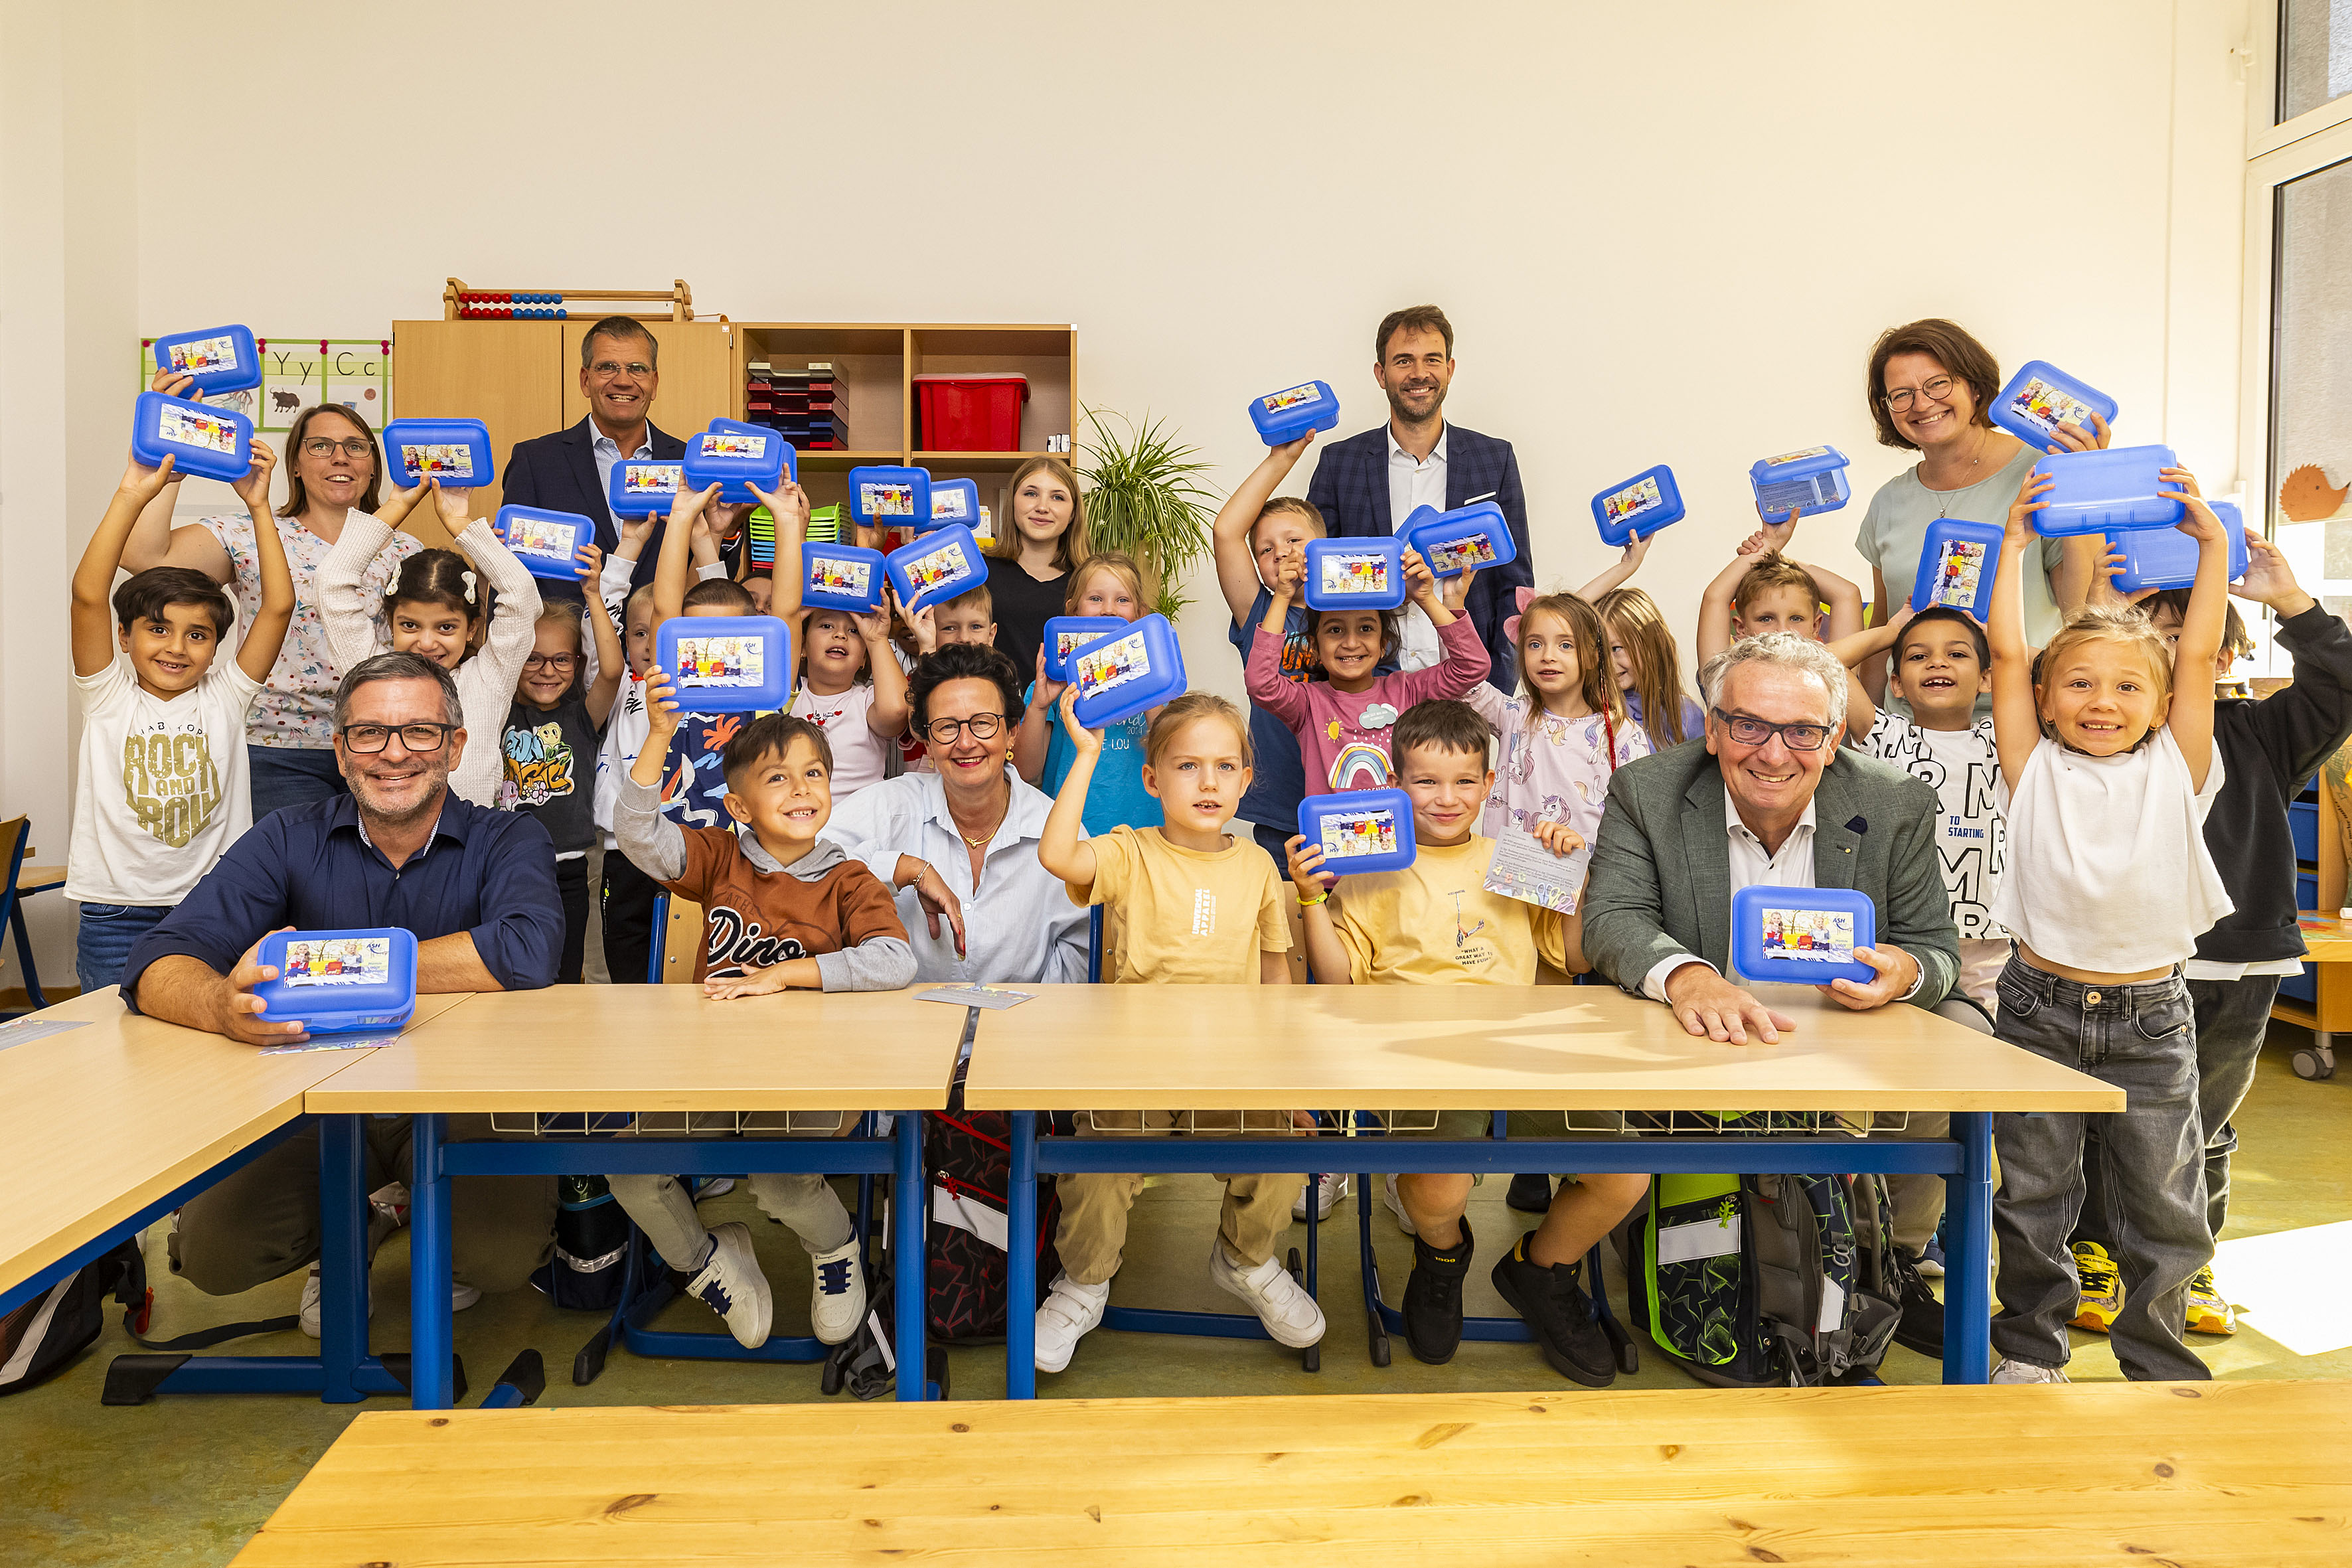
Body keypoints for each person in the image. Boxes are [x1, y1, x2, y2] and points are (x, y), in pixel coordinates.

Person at [119, 653, 564, 1331]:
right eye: (369, 733)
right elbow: (159, 958)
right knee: (214, 1257)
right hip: (312, 1107)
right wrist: (218, 1006)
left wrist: (333, 966)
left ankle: (404, 1208)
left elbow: (529, 948)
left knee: (500, 1259)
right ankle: (361, 1216)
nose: (394, 754)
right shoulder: (284, 836)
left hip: (460, 1102)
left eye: (420, 731)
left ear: (455, 745)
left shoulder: (508, 836)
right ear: (340, 747)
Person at [1579, 631, 1968, 1356]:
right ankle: (1662, 1275)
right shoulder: (1649, 789)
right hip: (1695, 1047)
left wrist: (1904, 973)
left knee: (1960, 1061)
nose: (1771, 751)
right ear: (1716, 726)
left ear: (1832, 738)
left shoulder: (1892, 802)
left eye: (1801, 731)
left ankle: (1895, 1257)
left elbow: (1935, 950)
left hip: (1841, 1044)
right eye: (1747, 724)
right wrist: (1689, 975)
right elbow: (1612, 920)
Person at [1285, 700, 1637, 1380]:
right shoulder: (1369, 869)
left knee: (1623, 1175)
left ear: (1489, 782)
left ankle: (1541, 1270)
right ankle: (1442, 1255)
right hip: (1417, 1063)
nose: (1447, 798)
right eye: (1426, 782)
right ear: (1395, 780)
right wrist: (1310, 901)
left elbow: (1571, 959)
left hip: (1523, 1057)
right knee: (1439, 1188)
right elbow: (1335, 983)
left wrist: (1576, 878)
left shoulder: (1514, 855)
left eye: (1464, 781)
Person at [2067, 529, 2352, 1341]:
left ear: (2222, 656)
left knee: (2202, 1123)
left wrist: (2292, 600)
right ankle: (2095, 1251)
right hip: (2120, 962)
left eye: (2187, 635)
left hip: (2235, 964)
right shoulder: (2102, 732)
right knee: (2107, 1112)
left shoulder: (2263, 734)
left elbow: (2344, 683)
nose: (2171, 650)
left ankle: (2188, 1265)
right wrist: (2105, 627)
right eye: (2150, 633)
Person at [1982, 465, 2233, 1385]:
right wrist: (2010, 547)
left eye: (2126, 687)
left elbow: (2197, 656)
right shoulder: (2031, 767)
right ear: (2046, 701)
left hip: (2151, 1017)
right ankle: (2027, 1351)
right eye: (2078, 683)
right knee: (2034, 1196)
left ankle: (2157, 1365)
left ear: (2160, 707)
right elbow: (2006, 657)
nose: (2099, 701)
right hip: (2036, 1006)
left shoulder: (2177, 766)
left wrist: (2210, 548)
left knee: (2163, 1206)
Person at [611, 668, 915, 1349]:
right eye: (778, 778)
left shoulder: (849, 877)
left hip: (810, 1071)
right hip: (709, 1066)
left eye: (815, 774)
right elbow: (635, 833)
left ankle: (837, 1253)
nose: (802, 789)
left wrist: (788, 975)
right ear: (740, 806)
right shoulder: (718, 856)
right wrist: (661, 734)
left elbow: (896, 959)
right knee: (630, 1168)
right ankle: (709, 1263)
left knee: (779, 1180)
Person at [1032, 692, 1318, 1372]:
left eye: (1225, 766)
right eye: (1188, 765)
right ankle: (1087, 1279)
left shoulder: (1256, 865)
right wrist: (1088, 752)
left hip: (1232, 1067)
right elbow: (1056, 855)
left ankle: (1245, 1259)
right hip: (1137, 1064)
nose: (1210, 782)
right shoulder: (1130, 852)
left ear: (1248, 781)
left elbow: (1276, 978)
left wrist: (1288, 1078)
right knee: (1092, 1162)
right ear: (1153, 779)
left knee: (1287, 1146)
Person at [121, 393, 418, 819]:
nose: (340, 458)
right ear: (295, 464)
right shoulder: (248, 531)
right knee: (297, 878)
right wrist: (171, 471)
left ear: (373, 466)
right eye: (320, 446)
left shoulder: (409, 551)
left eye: (355, 446)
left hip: (383, 744)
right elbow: (145, 559)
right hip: (275, 748)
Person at [68, 436, 290, 993]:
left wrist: (260, 506)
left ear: (216, 648)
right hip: (116, 914)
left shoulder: (225, 698)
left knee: (209, 1041)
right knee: (114, 1049)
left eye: (198, 635)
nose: (176, 648)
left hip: (212, 909)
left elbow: (279, 606)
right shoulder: (108, 696)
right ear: (125, 636)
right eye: (158, 629)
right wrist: (131, 493)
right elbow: (89, 595)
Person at [1851, 319, 2107, 710]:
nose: (1921, 404)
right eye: (1901, 395)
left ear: (1974, 387)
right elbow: (1883, 635)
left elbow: (2082, 612)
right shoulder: (1887, 501)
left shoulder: (2044, 475)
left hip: (2022, 724)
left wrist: (2081, 487)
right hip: (1909, 737)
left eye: (1938, 384)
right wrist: (1866, 740)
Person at [827, 641, 1091, 984]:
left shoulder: (1056, 829)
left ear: (1012, 732)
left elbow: (1083, 944)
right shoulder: (891, 807)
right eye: (947, 727)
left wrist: (1032, 1025)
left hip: (1026, 1030)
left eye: (982, 723)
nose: (966, 743)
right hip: (904, 1031)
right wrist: (903, 868)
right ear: (928, 743)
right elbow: (803, 867)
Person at [1304, 305, 1531, 688]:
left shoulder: (1495, 459)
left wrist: (1502, 678)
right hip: (1368, 680)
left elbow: (1515, 582)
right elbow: (1319, 579)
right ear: (1381, 374)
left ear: (1450, 369)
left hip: (1468, 681)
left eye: (1432, 359)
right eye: (1403, 361)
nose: (1419, 373)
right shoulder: (1338, 462)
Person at [318, 477, 542, 809]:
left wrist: (461, 525)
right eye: (409, 625)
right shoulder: (372, 675)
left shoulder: (490, 678)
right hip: (387, 839)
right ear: (390, 623)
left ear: (472, 629)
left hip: (472, 843)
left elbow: (522, 597)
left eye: (446, 627)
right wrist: (396, 508)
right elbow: (331, 582)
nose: (426, 642)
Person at [501, 317, 737, 598]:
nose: (623, 381)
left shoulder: (693, 464)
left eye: (637, 369)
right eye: (607, 368)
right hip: (565, 639)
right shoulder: (536, 461)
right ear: (586, 380)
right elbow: (509, 576)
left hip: (657, 638)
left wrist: (728, 529)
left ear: (654, 382)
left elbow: (714, 591)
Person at [1245, 540, 1488, 794]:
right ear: (1315, 647)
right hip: (1328, 832)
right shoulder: (1307, 704)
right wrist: (1283, 596)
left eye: (1366, 628)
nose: (1351, 643)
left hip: (1402, 832)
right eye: (1335, 630)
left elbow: (1472, 666)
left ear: (1383, 644)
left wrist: (1425, 598)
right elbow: (1260, 683)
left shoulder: (1408, 691)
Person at [501, 579, 625, 984]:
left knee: (569, 972)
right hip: (509, 867)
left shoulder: (582, 717)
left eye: (561, 660)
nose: (547, 672)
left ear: (577, 660)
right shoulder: (496, 714)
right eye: (532, 659)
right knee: (515, 968)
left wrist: (593, 594)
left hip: (572, 869)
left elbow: (612, 669)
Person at [1212, 435, 1327, 866]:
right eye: (1266, 550)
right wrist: (1283, 458)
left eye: (1294, 541)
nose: (1281, 553)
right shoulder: (1258, 610)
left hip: (1351, 797)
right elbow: (1226, 531)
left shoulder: (1357, 610)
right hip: (1280, 810)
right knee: (1287, 927)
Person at [1466, 590, 1652, 842]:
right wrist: (1452, 604)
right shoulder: (1513, 716)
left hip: (1591, 879)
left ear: (1592, 656)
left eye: (1565, 645)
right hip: (1508, 878)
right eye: (1535, 644)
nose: (1547, 656)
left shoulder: (1624, 735)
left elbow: (1638, 825)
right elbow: (1463, 681)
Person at [1014, 552, 1164, 834]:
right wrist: (1038, 706)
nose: (1109, 610)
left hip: (1143, 837)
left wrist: (1152, 698)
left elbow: (1169, 756)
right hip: (1069, 836)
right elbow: (1025, 772)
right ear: (1073, 611)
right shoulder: (1053, 688)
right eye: (1096, 599)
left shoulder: (1155, 685)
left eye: (1123, 600)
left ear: (1140, 614)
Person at [1695, 514, 1864, 668]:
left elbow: (1846, 594)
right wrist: (1768, 547)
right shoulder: (1722, 680)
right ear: (1741, 628)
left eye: (1796, 618)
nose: (1783, 631)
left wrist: (1769, 553)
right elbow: (1715, 597)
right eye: (1766, 619)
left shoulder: (1831, 678)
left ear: (1815, 626)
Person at [983, 455, 1090, 681]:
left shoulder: (1090, 581)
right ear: (1012, 502)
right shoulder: (980, 573)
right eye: (1031, 494)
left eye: (1058, 497)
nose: (1042, 507)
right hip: (993, 712)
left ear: (1072, 513)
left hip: (1068, 713)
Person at [789, 600, 909, 799]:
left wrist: (876, 639)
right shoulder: (788, 694)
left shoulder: (867, 701)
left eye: (854, 631)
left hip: (857, 826)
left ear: (864, 659)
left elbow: (897, 712)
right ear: (802, 647)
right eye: (826, 626)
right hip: (794, 823)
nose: (840, 635)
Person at [1593, 586, 1703, 747]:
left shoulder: (1687, 714)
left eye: (1616, 648)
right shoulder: (1594, 708)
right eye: (1599, 651)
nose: (1607, 663)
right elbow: (1560, 618)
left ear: (1651, 645)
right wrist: (1625, 569)